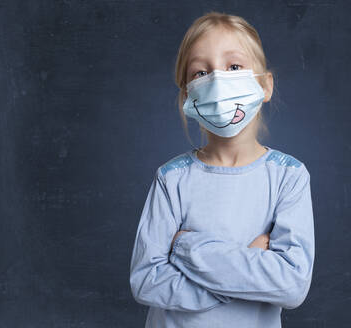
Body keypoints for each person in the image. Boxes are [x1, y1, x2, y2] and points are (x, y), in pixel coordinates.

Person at [129, 11, 315, 328]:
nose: (217, 81)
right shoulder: (171, 178)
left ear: (265, 86)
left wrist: (186, 247)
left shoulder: (289, 176)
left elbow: (291, 285)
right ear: (188, 96)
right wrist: (246, 265)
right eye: (200, 72)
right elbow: (146, 280)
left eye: (234, 67)